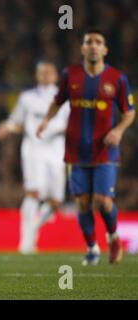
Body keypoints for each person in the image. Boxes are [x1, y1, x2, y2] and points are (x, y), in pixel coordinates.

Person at [37, 29, 135, 265]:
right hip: (76, 151)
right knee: (82, 202)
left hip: (105, 151)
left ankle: (113, 236)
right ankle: (92, 248)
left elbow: (129, 113)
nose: (93, 45)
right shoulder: (70, 75)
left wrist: (118, 131)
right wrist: (46, 120)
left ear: (105, 49)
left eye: (98, 42)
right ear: (82, 49)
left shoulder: (117, 79)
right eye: (88, 42)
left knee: (102, 201)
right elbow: (57, 101)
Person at [0, 61, 70, 254]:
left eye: (49, 72)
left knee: (56, 202)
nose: (45, 75)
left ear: (55, 76)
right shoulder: (27, 98)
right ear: (37, 76)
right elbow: (17, 122)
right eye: (42, 73)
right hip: (33, 149)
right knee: (33, 192)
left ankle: (34, 227)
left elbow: (73, 124)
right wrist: (7, 127)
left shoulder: (65, 98)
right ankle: (26, 243)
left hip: (56, 149)